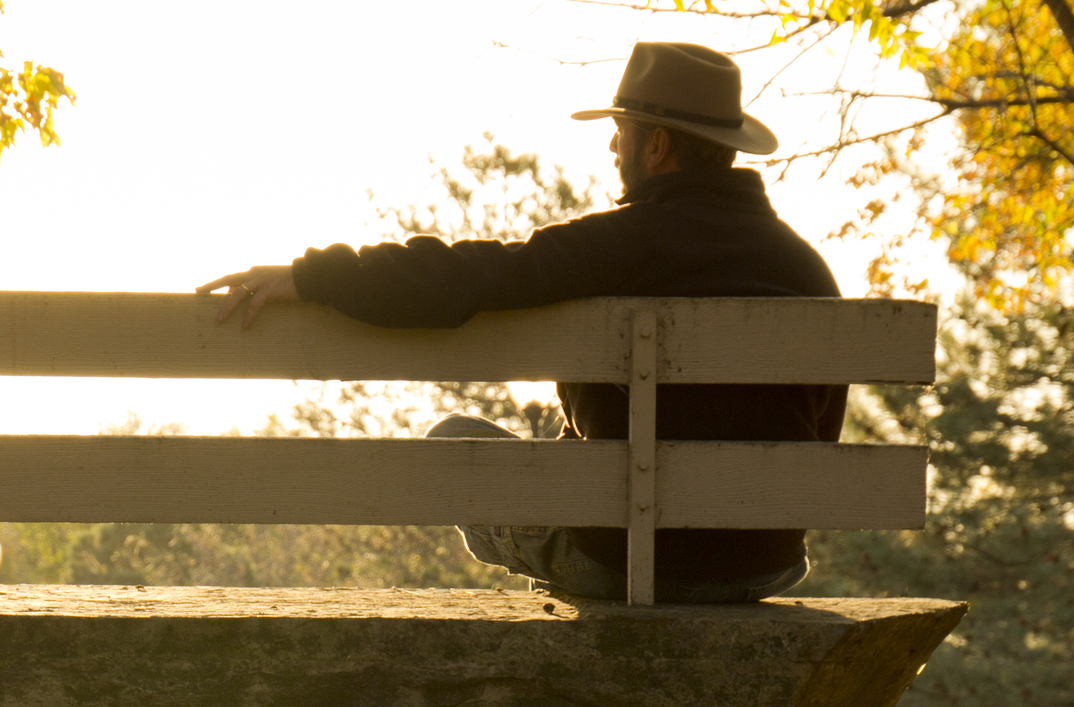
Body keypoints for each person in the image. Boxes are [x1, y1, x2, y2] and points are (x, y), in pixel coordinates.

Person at [197, 42, 843, 603]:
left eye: (621, 130)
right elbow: (818, 436)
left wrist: (313, 275)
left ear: (657, 146)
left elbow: (463, 277)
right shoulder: (810, 273)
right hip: (765, 562)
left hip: (617, 561)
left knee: (452, 441)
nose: (611, 144)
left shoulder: (619, 246)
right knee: (571, 464)